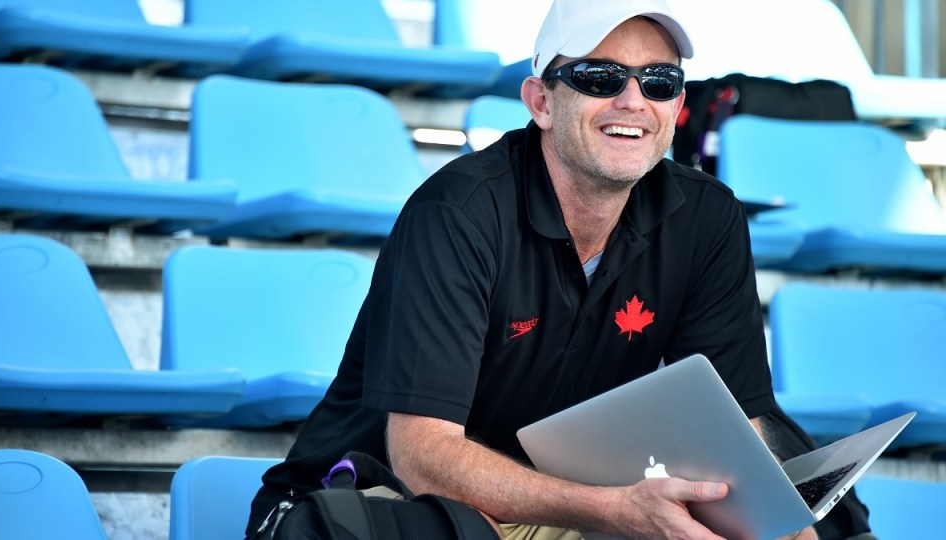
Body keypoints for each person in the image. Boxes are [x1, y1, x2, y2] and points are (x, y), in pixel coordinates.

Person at [246, 0, 822, 538]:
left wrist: (773, 514)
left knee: (795, 489)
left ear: (677, 107)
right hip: (382, 505)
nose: (632, 101)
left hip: (559, 509)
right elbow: (423, 456)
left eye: (659, 82)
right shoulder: (457, 213)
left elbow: (743, 420)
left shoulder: (708, 218)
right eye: (599, 77)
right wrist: (615, 509)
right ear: (541, 101)